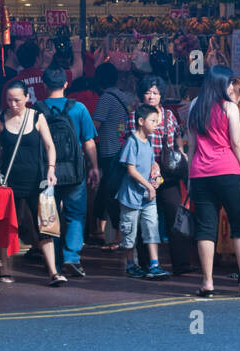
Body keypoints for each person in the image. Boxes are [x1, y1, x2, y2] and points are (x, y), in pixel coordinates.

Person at [0, 80, 63, 285]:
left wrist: (51, 169)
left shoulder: (37, 117)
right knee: (6, 225)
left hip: (36, 181)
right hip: (8, 181)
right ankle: (5, 269)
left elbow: (50, 146)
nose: (12, 104)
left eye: (17, 100)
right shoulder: (1, 117)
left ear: (27, 98)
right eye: (9, 100)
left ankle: (53, 271)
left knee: (44, 226)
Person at [185, 66, 240, 297]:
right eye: (229, 83)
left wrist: (190, 178)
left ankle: (208, 283)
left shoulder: (194, 106)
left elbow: (191, 146)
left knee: (206, 228)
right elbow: (237, 143)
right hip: (228, 171)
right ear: (220, 84)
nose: (232, 87)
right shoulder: (228, 107)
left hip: (200, 173)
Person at [123, 76, 191, 274]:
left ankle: (181, 263)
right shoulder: (135, 116)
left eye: (155, 92)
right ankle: (146, 263)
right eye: (147, 92)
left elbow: (177, 137)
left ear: (161, 95)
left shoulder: (169, 115)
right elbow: (132, 143)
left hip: (168, 174)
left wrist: (182, 154)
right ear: (141, 94)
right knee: (145, 219)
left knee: (174, 214)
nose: (151, 96)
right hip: (143, 177)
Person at [40, 67, 100, 278]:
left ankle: (53, 260)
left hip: (46, 171)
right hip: (75, 170)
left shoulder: (36, 110)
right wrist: (93, 167)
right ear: (66, 84)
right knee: (75, 214)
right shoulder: (79, 108)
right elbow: (89, 142)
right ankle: (71, 257)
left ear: (44, 85)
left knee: (49, 215)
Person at [117, 104, 172, 280]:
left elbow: (151, 163)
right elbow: (131, 170)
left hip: (147, 197)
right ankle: (130, 265)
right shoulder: (132, 142)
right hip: (131, 197)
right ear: (141, 121)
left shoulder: (147, 141)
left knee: (151, 229)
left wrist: (156, 173)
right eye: (153, 121)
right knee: (129, 235)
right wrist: (149, 186)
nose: (156, 124)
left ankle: (154, 265)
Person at [90, 62, 129, 245]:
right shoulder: (122, 95)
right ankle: (99, 229)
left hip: (110, 150)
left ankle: (117, 235)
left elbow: (95, 126)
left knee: (111, 192)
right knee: (107, 190)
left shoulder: (106, 98)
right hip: (122, 149)